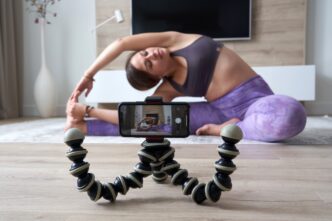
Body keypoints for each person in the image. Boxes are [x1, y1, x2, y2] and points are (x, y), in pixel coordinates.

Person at [66, 31, 306, 142]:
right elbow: (137, 119)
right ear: (155, 79)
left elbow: (121, 43)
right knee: (155, 124)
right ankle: (83, 127)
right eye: (149, 63)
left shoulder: (177, 41)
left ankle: (226, 130)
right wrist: (87, 111)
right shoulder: (168, 88)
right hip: (218, 111)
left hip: (256, 102)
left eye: (145, 52)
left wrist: (88, 75)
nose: (152, 54)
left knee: (289, 114)